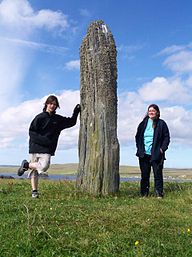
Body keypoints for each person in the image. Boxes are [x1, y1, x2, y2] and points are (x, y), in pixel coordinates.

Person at [17, 95, 81, 198]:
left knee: (44, 166)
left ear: (57, 106)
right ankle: (34, 191)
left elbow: (71, 122)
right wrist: (43, 140)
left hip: (47, 148)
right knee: (35, 170)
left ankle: (26, 165)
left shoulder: (58, 119)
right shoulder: (39, 117)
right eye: (51, 103)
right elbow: (31, 132)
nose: (52, 106)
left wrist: (76, 111)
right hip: (35, 146)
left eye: (55, 104)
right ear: (46, 104)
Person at [135, 104, 170, 198]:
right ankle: (144, 194)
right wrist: (139, 148)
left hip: (156, 154)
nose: (151, 112)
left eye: (153, 111)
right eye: (149, 110)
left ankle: (159, 194)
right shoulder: (143, 124)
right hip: (143, 154)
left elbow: (166, 138)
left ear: (157, 112)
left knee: (158, 175)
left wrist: (162, 149)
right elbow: (137, 137)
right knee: (145, 176)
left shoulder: (161, 123)